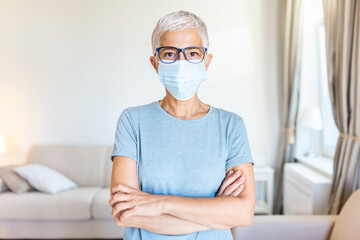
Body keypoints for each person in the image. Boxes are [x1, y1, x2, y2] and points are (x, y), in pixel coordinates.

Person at [108, 10, 255, 240]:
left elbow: (243, 213)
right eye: (169, 54)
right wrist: (214, 210)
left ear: (206, 62)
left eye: (193, 53)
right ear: (155, 64)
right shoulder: (132, 121)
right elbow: (125, 213)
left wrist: (159, 204)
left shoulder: (231, 126)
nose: (181, 62)